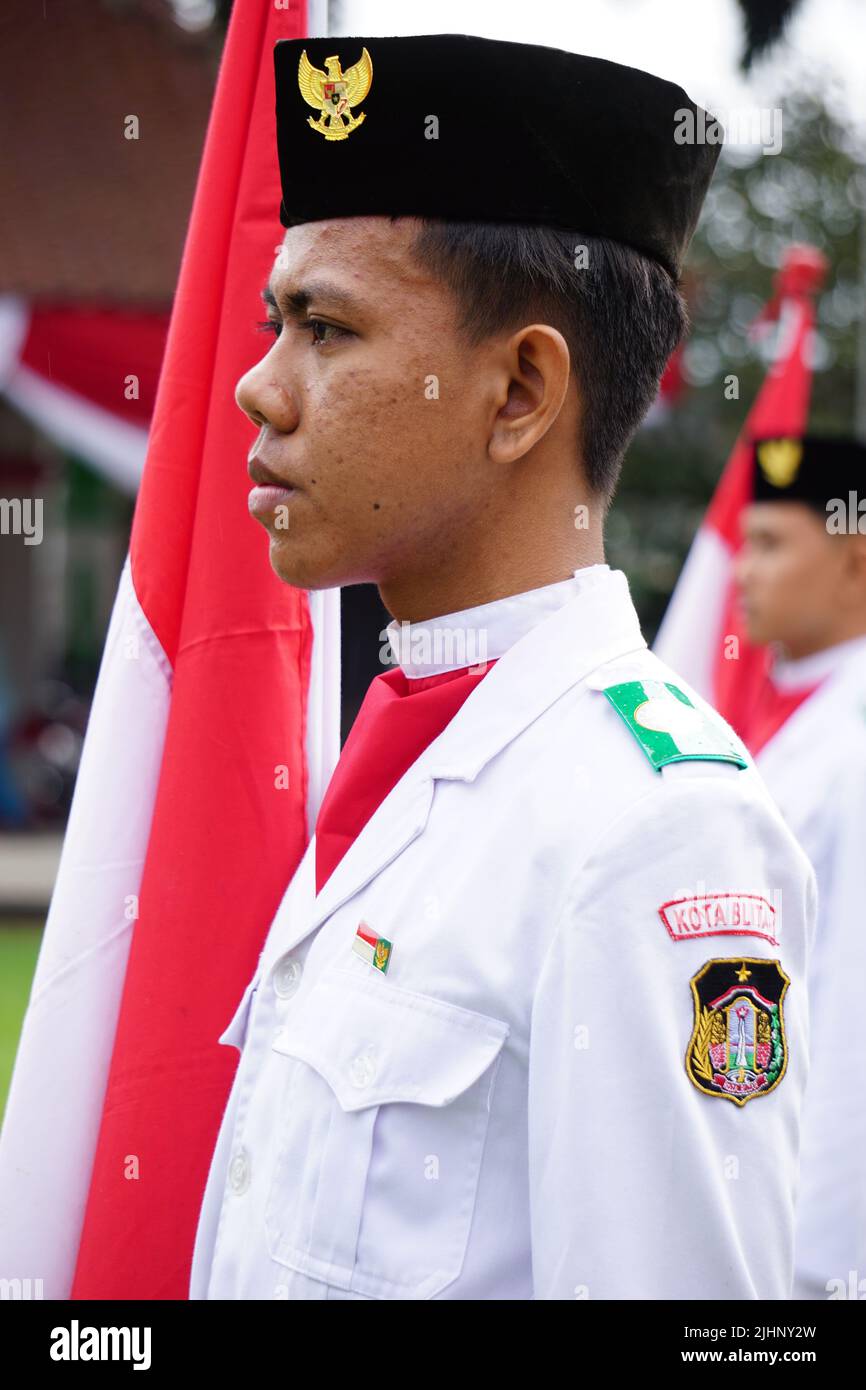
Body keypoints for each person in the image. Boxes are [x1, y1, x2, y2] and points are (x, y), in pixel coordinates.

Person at [189, 32, 815, 1301]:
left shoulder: (650, 827)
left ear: (521, 389)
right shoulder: (419, 741)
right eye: (274, 320)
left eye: (323, 324)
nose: (259, 387)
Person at [735, 433, 866, 1300]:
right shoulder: (780, 715)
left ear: (855, 561)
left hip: (808, 1239)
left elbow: (855, 1009)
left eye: (773, 544)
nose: (744, 571)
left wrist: (814, 1273)